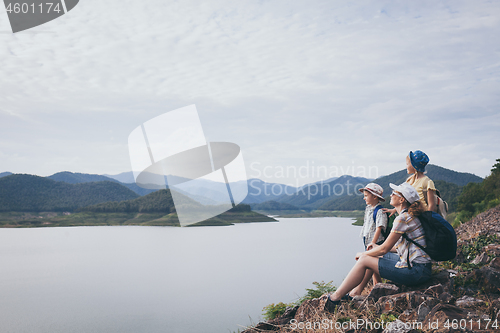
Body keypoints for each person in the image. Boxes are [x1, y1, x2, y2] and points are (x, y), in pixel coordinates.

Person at [321, 182, 432, 310]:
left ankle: (334, 299)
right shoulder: (409, 216)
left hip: (416, 271)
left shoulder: (403, 218)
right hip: (421, 268)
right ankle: (354, 293)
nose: (391, 195)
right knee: (373, 255)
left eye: (394, 193)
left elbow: (384, 248)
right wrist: (375, 249)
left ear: (401, 200)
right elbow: (399, 248)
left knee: (364, 259)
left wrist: (363, 254)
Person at [350, 183, 387, 296]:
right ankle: (378, 288)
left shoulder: (379, 211)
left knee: (371, 265)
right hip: (368, 240)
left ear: (375, 197)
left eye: (366, 195)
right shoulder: (368, 208)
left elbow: (379, 228)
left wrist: (373, 242)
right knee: (374, 271)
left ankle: (369, 289)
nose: (364, 197)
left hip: (376, 242)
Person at [386, 150, 437, 216]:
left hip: (422, 217)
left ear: (414, 166)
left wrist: (429, 220)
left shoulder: (427, 182)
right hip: (411, 215)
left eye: (407, 164)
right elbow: (404, 198)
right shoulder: (409, 180)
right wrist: (394, 210)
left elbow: (431, 205)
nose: (406, 166)